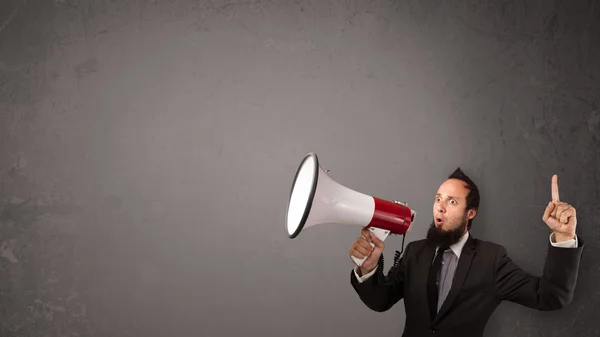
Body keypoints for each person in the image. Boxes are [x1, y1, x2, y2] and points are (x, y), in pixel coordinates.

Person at [349, 168, 584, 337]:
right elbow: (380, 301)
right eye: (438, 199)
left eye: (452, 202)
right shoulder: (414, 252)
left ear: (470, 213)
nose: (440, 206)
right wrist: (367, 269)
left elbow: (550, 297)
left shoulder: (491, 259)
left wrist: (564, 238)